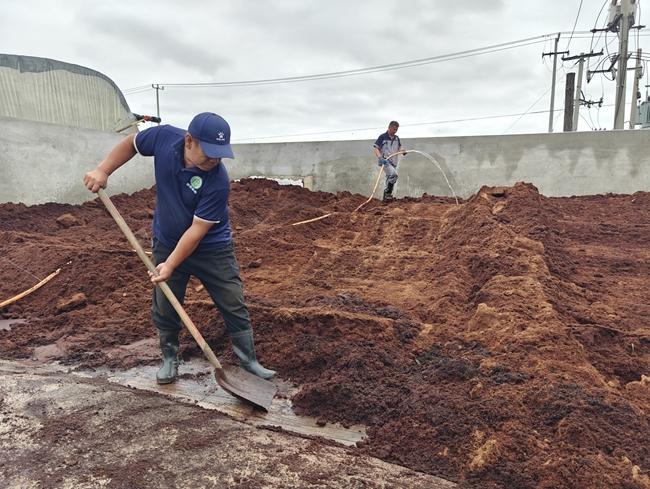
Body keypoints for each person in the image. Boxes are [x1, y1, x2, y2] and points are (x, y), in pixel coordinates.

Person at [83, 112, 276, 384]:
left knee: (232, 300)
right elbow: (130, 143)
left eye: (220, 154)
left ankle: (249, 361)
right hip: (167, 239)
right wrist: (103, 170)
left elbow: (197, 232)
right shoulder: (164, 138)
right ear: (189, 141)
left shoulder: (218, 180)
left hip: (212, 248)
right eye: (209, 152)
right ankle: (169, 359)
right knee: (166, 302)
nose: (215, 160)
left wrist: (170, 265)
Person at [373, 121, 404, 201]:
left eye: (396, 130)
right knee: (394, 174)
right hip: (385, 161)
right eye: (394, 129)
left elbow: (399, 147)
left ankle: (386, 198)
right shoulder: (382, 137)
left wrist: (402, 151)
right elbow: (376, 148)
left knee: (390, 178)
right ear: (389, 127)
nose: (395, 131)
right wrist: (380, 158)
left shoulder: (396, 138)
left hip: (394, 162)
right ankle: (388, 193)